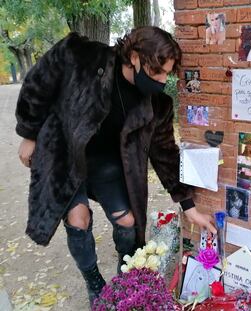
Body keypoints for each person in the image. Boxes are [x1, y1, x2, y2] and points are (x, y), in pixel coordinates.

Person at [15, 27, 216, 308]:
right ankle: (93, 280)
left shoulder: (158, 105)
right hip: (67, 155)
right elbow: (39, 82)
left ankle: (126, 276)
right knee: (78, 218)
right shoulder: (82, 55)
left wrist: (188, 205)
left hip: (107, 165)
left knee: (128, 222)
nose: (161, 80)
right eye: (157, 72)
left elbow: (165, 154)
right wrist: (29, 133)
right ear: (134, 56)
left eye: (166, 74)